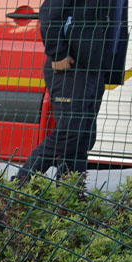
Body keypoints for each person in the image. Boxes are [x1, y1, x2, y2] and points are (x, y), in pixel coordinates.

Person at [18, 0, 129, 181]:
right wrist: (58, 53)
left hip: (95, 69)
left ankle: (68, 193)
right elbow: (49, 13)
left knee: (83, 137)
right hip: (71, 67)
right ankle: (21, 184)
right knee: (70, 131)